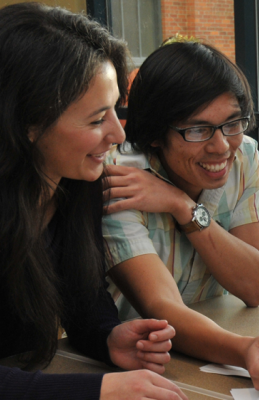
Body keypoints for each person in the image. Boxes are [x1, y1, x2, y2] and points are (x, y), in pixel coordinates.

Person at [0, 3, 188, 399]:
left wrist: (108, 337)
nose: (119, 134)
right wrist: (96, 390)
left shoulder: (76, 183)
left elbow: (82, 294)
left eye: (116, 109)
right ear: (27, 125)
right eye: (96, 119)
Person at [102, 38, 259, 391]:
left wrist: (183, 206)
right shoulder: (118, 174)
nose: (221, 146)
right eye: (197, 130)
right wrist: (244, 351)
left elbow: (255, 285)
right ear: (154, 134)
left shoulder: (242, 154)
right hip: (135, 368)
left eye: (232, 123)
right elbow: (160, 309)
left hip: (212, 350)